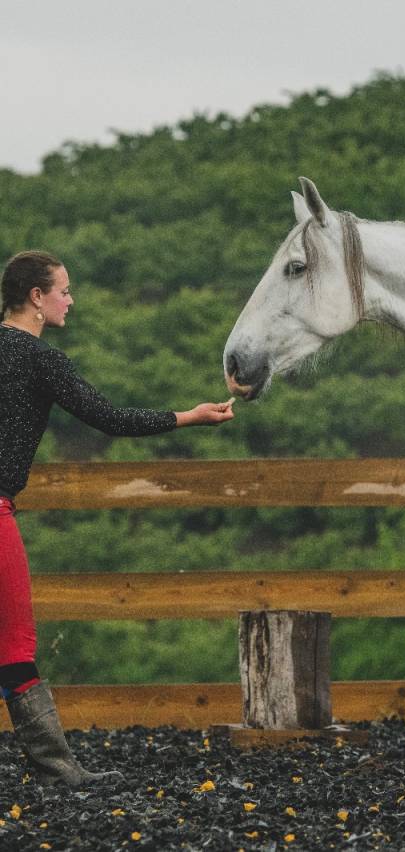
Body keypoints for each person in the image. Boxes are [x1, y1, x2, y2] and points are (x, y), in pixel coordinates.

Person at [0, 250, 234, 787]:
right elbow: (111, 419)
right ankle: (59, 772)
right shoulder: (42, 360)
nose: (71, 300)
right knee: (14, 646)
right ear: (36, 298)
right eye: (64, 290)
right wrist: (188, 417)